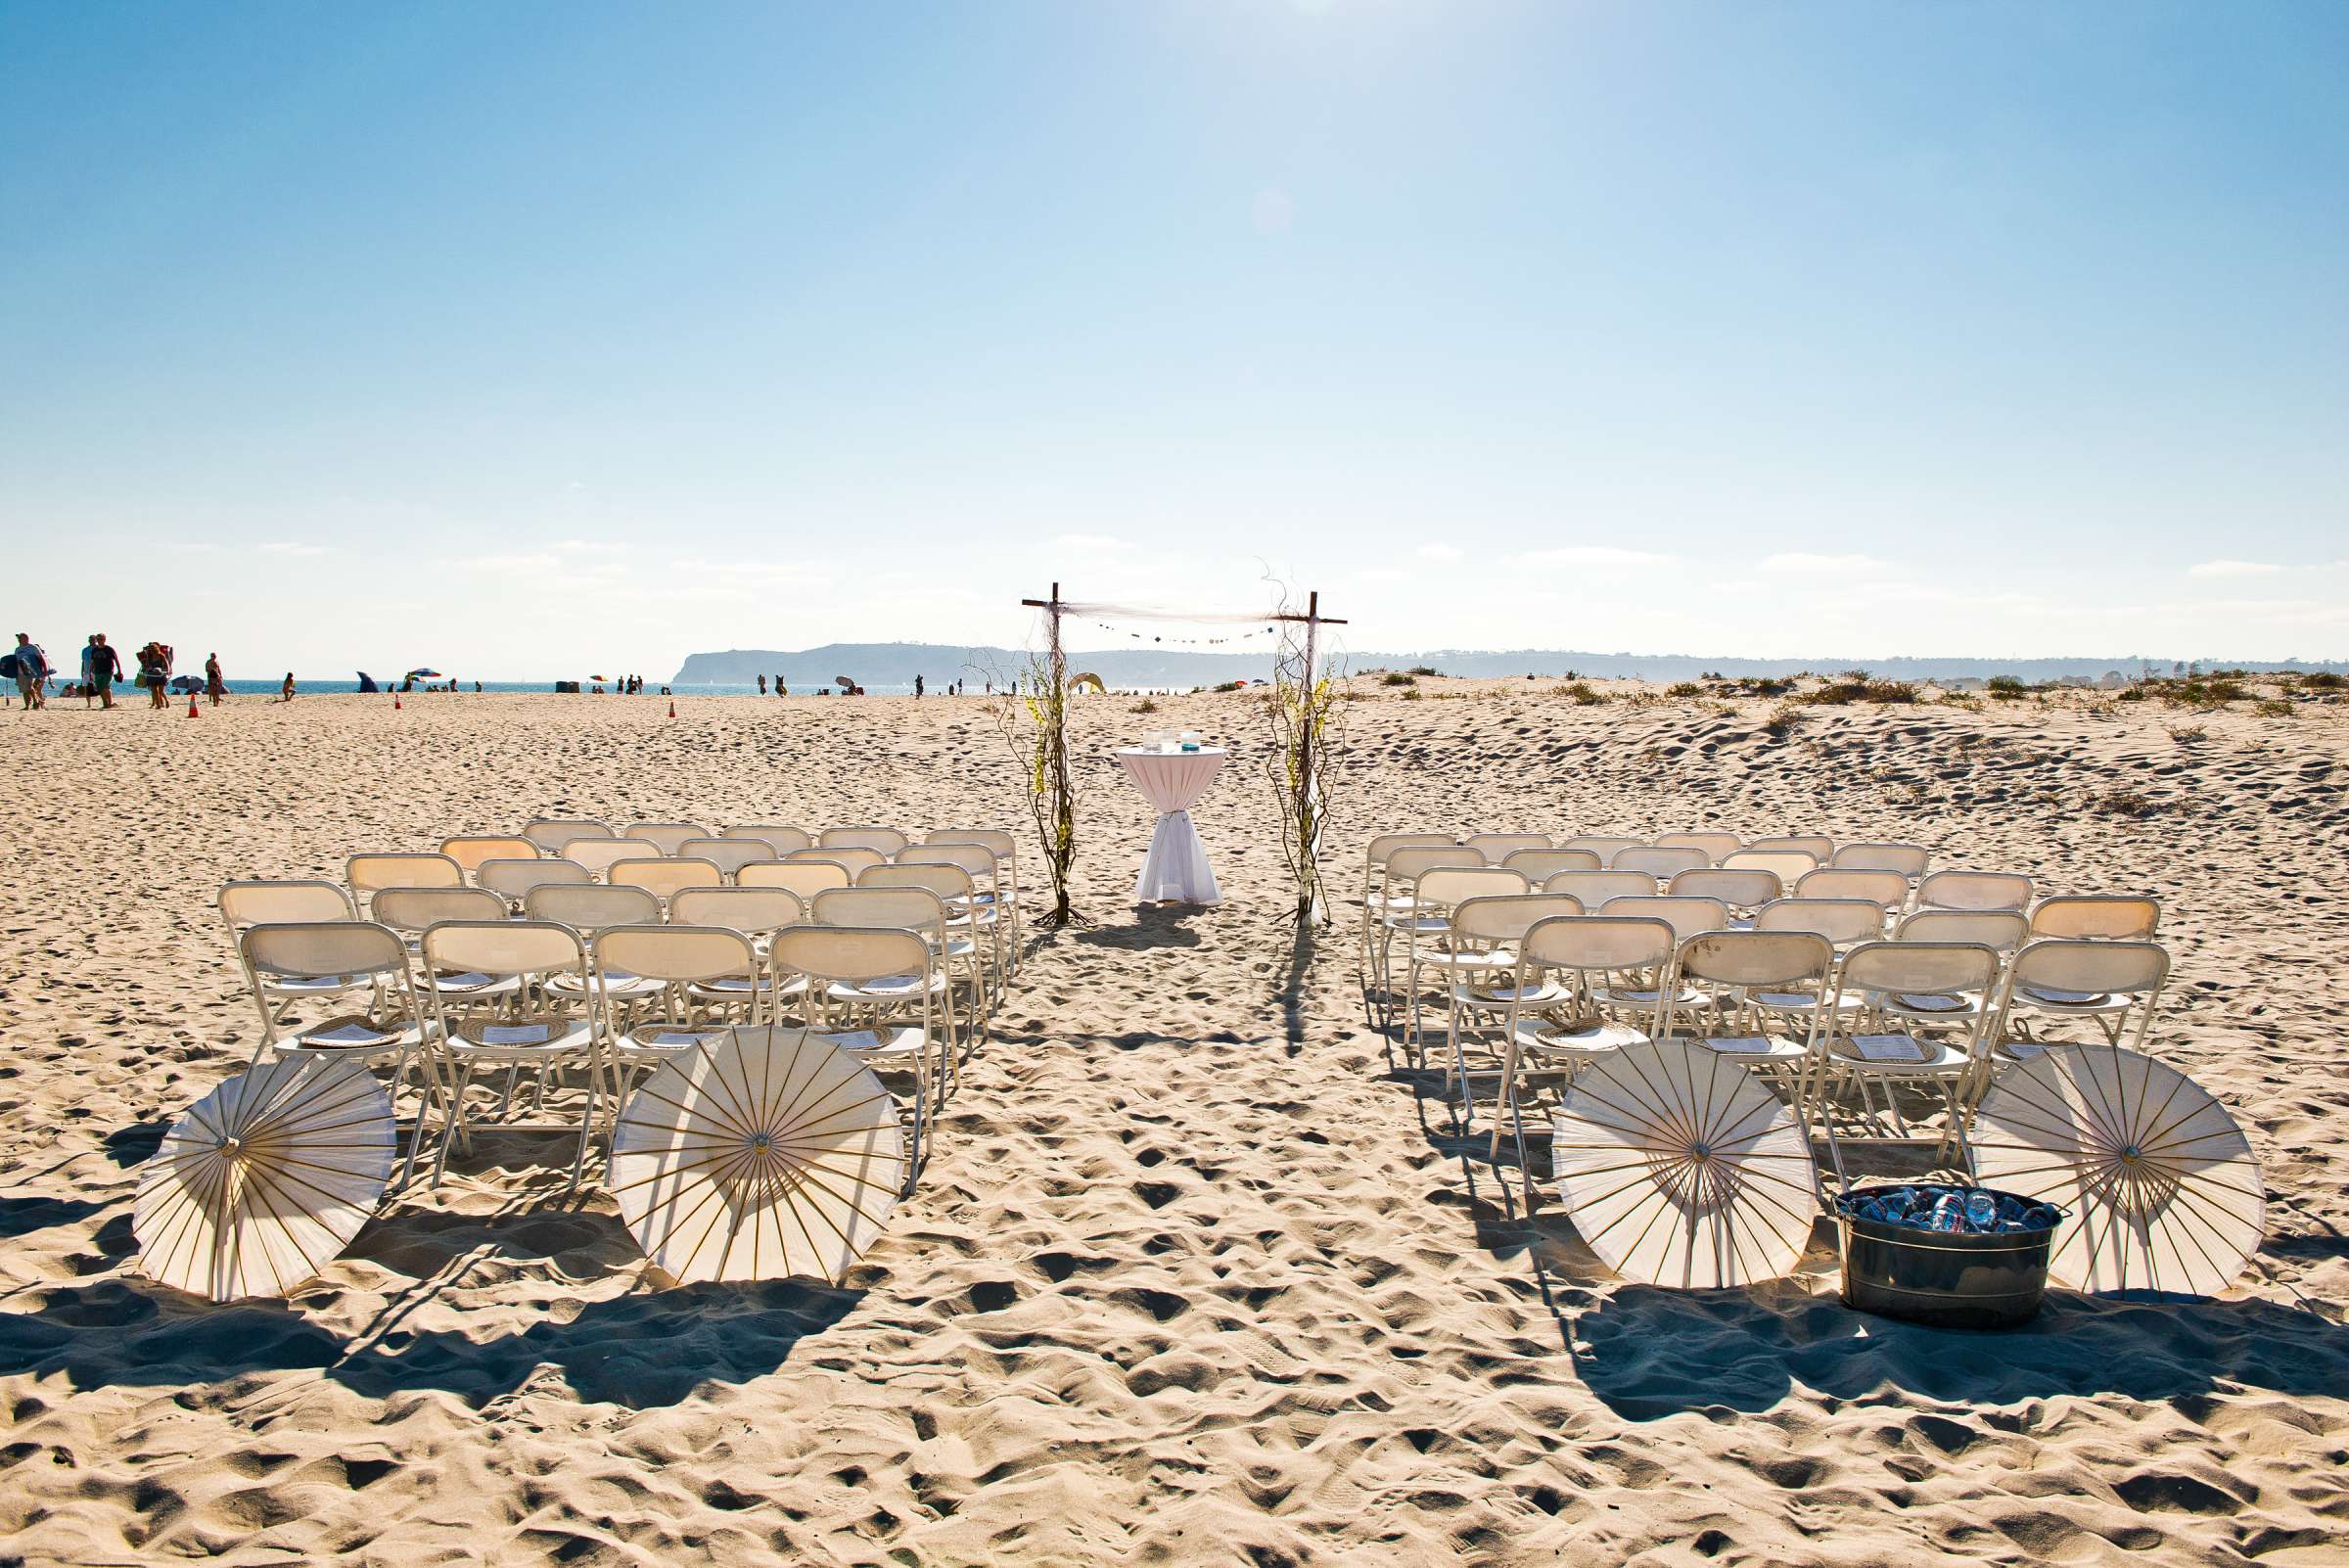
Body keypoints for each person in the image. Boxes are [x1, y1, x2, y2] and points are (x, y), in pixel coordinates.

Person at [82, 634, 122, 709]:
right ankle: (106, 704)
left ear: (104, 640)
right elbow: (92, 662)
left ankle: (108, 703)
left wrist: (119, 671)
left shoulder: (109, 649)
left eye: (101, 639)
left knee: (105, 687)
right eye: (98, 639)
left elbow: (116, 660)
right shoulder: (95, 650)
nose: (100, 641)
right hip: (97, 672)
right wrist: (90, 672)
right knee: (98, 688)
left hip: (108, 671)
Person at [11, 633, 47, 710]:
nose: (19, 640)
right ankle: (27, 706)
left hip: (31, 670)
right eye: (18, 639)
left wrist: (44, 670)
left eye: (20, 639)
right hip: (20, 672)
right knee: (24, 689)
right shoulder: (17, 649)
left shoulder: (33, 647)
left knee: (29, 687)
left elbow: (41, 658)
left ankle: (36, 701)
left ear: (26, 639)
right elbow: (15, 661)